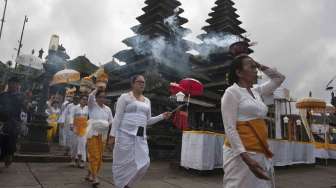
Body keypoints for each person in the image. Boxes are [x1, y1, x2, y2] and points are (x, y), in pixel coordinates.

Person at [221, 54, 285, 188]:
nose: (255, 70)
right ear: (239, 72)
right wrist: (247, 159)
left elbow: (279, 78)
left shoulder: (257, 91)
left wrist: (260, 66)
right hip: (241, 155)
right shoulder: (231, 92)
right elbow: (230, 128)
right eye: (251, 67)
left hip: (260, 150)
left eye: (255, 67)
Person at [110, 75, 171, 188]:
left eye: (143, 82)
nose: (142, 84)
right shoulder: (124, 97)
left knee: (145, 163)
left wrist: (162, 116)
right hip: (124, 135)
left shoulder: (147, 101)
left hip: (140, 136)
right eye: (139, 82)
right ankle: (121, 185)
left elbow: (147, 121)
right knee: (123, 163)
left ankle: (128, 185)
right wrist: (112, 135)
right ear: (133, 84)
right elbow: (117, 117)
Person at [86, 88, 113, 186]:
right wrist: (98, 87)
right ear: (96, 98)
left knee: (99, 157)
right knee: (95, 156)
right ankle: (95, 177)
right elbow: (90, 96)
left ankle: (90, 173)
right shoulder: (92, 106)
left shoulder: (108, 109)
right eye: (100, 97)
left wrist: (105, 124)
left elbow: (111, 121)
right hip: (92, 133)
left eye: (104, 97)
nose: (102, 99)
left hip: (103, 135)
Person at [0, 77, 24, 167]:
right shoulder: (3, 95)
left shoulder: (21, 97)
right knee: (1, 141)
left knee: (11, 142)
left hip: (14, 123)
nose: (12, 86)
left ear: (17, 85)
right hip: (2, 121)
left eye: (14, 84)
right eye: (10, 84)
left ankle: (9, 156)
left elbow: (25, 109)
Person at [69, 95, 89, 168]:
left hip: (84, 128)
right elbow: (71, 116)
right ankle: (73, 160)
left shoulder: (88, 108)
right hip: (75, 128)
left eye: (86, 99)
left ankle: (81, 161)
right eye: (83, 99)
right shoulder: (74, 108)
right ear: (80, 100)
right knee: (74, 144)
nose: (84, 101)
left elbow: (90, 118)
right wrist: (71, 124)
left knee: (82, 144)